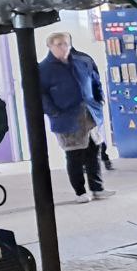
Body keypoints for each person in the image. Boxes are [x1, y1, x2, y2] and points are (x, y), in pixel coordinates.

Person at [39, 32, 116, 203]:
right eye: (59, 44)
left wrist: (99, 100)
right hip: (66, 119)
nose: (63, 47)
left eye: (66, 43)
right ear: (50, 46)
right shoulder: (43, 69)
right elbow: (41, 95)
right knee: (74, 155)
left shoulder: (82, 62)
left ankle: (97, 189)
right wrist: (54, 112)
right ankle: (80, 192)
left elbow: (95, 81)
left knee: (94, 152)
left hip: (89, 114)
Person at [69, 44, 115, 171]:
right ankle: (104, 158)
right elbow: (96, 80)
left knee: (86, 134)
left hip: (80, 104)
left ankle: (90, 161)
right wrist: (99, 99)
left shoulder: (68, 62)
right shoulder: (86, 58)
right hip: (91, 103)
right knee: (93, 132)